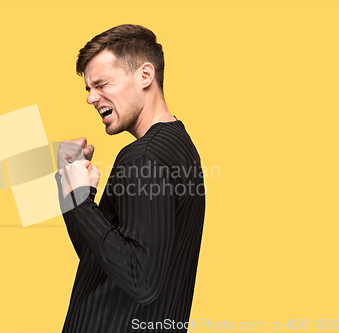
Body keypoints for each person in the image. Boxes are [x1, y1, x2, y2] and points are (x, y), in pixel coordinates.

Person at [55, 24, 206, 333]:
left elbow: (142, 281)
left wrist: (81, 202)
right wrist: (72, 193)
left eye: (101, 84)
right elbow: (102, 260)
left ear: (145, 76)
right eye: (88, 88)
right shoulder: (178, 144)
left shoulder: (143, 156)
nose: (91, 98)